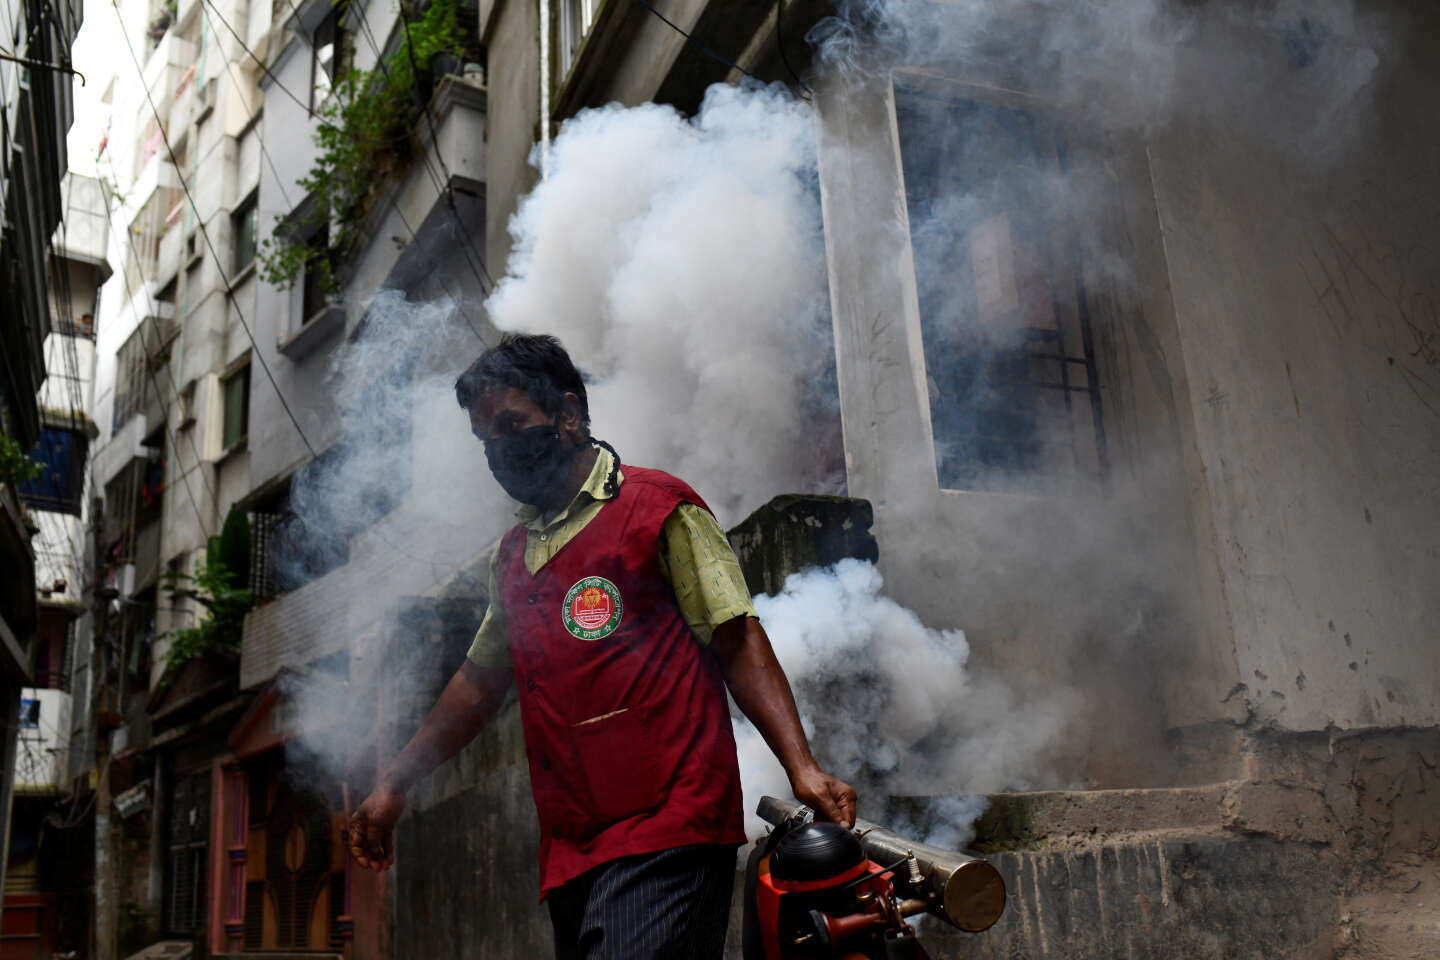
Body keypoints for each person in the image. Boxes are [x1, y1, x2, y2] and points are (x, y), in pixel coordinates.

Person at [348, 334, 857, 959]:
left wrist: (801, 767)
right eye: (486, 438)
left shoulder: (659, 507)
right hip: (571, 849)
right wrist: (395, 782)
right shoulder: (514, 556)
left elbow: (736, 637)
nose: (499, 451)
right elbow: (479, 683)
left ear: (567, 414)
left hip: (670, 827)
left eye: (511, 424)